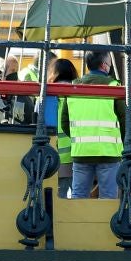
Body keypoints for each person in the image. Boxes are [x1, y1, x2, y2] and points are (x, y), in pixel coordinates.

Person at [60, 50, 126, 199]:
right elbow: (124, 120)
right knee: (108, 197)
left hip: (81, 152)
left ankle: (79, 223)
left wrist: (80, 136)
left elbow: (65, 122)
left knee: (78, 197)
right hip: (108, 153)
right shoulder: (113, 86)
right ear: (104, 65)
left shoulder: (73, 87)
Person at [49, 57, 79, 198]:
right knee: (80, 198)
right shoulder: (79, 94)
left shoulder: (47, 95)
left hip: (54, 156)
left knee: (56, 200)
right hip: (78, 155)